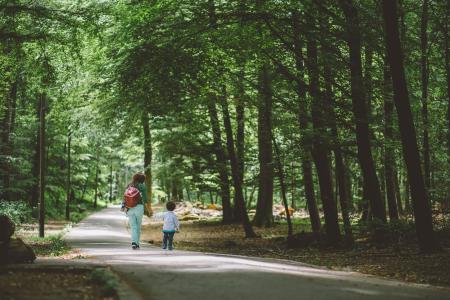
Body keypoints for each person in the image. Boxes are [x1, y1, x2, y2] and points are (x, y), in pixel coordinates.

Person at [124, 172, 148, 250]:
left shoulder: (129, 185)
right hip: (139, 207)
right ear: (143, 180)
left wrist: (124, 206)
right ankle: (137, 243)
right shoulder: (142, 186)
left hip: (129, 207)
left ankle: (134, 242)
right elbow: (145, 199)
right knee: (138, 226)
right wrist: (148, 208)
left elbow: (124, 197)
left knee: (133, 226)